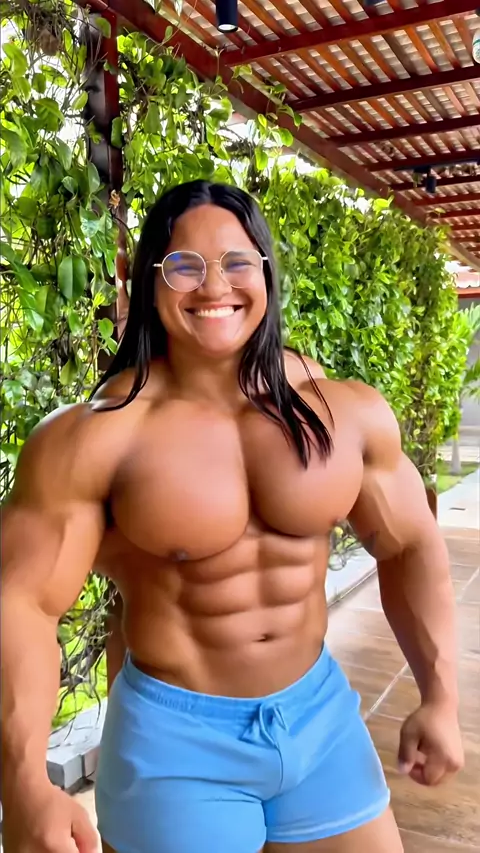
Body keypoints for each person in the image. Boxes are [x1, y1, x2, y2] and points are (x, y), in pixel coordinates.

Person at [1, 180, 463, 853]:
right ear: (149, 278)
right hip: (175, 743)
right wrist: (23, 782)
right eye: (185, 265)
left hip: (318, 716)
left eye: (237, 262)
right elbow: (20, 603)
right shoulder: (96, 437)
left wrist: (441, 696)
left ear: (266, 272)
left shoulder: (342, 410)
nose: (214, 285)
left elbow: (409, 544)